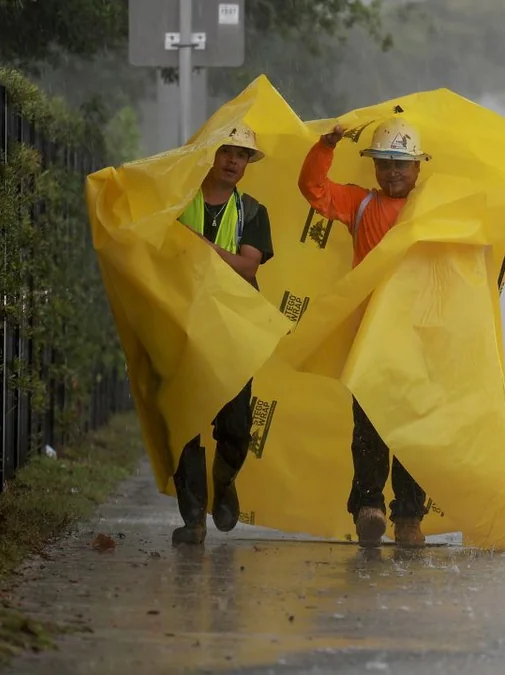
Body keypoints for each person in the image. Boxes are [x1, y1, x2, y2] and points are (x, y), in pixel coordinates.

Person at [297, 116, 432, 548]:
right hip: (370, 336)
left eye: (401, 164)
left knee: (412, 427)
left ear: (417, 169)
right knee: (370, 424)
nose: (393, 172)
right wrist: (325, 146)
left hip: (417, 336)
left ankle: (409, 518)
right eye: (385, 163)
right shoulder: (360, 205)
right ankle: (368, 508)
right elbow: (314, 191)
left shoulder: (432, 209)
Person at [172, 123, 275, 546]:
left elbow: (248, 266)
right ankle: (193, 518)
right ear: (210, 156)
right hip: (184, 324)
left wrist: (198, 245)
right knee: (185, 423)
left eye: (243, 155)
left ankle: (225, 479)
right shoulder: (177, 202)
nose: (234, 161)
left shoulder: (252, 211)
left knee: (236, 422)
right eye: (227, 152)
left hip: (233, 328)